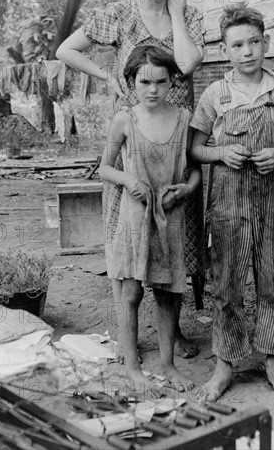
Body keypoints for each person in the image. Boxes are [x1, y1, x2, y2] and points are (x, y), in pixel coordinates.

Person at [56, 0, 204, 358]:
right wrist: (106, 77)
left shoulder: (187, 12)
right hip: (133, 141)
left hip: (176, 140)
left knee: (176, 232)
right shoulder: (118, 15)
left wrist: (173, 10)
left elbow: (189, 64)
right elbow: (65, 49)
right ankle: (128, 335)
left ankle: (171, 333)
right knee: (130, 233)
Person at [191, 2, 274, 401]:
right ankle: (224, 366)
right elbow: (195, 149)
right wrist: (220, 153)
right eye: (238, 44)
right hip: (227, 203)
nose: (247, 52)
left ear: (266, 43)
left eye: (254, 42)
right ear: (225, 50)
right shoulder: (215, 94)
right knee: (227, 284)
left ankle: (273, 361)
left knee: (271, 279)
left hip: (272, 201)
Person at [99, 45, 200, 394]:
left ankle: (168, 364)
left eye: (161, 81)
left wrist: (185, 190)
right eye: (145, 82)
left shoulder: (184, 118)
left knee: (169, 294)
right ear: (131, 82)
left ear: (172, 81)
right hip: (134, 217)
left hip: (170, 217)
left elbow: (196, 171)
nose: (153, 89)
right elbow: (104, 167)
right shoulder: (126, 119)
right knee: (130, 291)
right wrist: (129, 180)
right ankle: (132, 366)